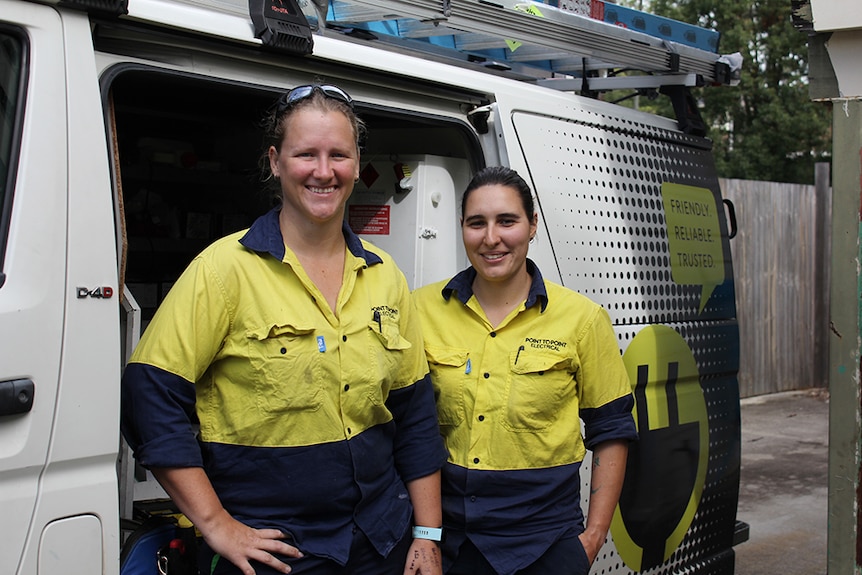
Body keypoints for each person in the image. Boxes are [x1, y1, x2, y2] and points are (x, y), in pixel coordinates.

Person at [121, 84, 448, 575]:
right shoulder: (223, 270)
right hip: (273, 552)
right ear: (275, 161)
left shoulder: (385, 275)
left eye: (338, 154)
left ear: (357, 165)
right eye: (305, 154)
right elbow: (148, 397)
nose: (323, 171)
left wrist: (426, 535)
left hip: (382, 542)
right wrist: (214, 522)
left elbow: (415, 413)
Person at [412, 166, 638, 575]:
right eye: (476, 223)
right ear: (461, 228)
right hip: (447, 545)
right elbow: (402, 426)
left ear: (533, 225)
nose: (491, 238)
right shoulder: (420, 310)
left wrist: (593, 537)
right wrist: (424, 536)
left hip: (544, 545)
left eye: (507, 221)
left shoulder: (582, 320)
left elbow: (612, 430)